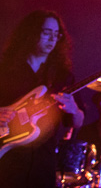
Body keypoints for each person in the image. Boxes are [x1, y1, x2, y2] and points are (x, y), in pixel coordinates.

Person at [0, 10, 85, 188]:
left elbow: (78, 121)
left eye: (56, 34)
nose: (52, 39)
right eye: (47, 32)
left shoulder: (62, 77)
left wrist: (74, 110)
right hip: (7, 160)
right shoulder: (5, 70)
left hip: (43, 162)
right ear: (31, 33)